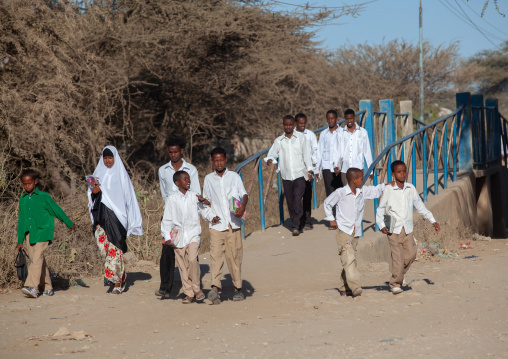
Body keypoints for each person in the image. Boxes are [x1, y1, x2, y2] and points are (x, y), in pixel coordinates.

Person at [376, 160, 440, 295]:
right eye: (399, 172)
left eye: (404, 171)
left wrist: (432, 220)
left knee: (411, 254)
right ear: (393, 174)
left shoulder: (410, 188)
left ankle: (398, 272)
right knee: (398, 257)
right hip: (393, 229)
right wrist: (381, 225)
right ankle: (395, 284)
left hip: (407, 229)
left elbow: (420, 206)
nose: (402, 174)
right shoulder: (389, 189)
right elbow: (380, 209)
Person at [324, 167, 386, 298]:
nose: (363, 181)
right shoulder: (340, 193)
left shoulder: (362, 191)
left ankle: (343, 286)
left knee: (350, 259)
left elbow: (375, 190)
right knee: (349, 258)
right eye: (361, 179)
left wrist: (387, 185)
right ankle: (355, 286)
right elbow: (327, 203)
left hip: (356, 231)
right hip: (343, 231)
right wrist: (331, 219)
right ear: (353, 180)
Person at [88, 146, 143, 294]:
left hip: (117, 218)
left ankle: (118, 283)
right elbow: (91, 197)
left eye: (110, 158)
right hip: (100, 217)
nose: (107, 161)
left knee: (115, 252)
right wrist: (94, 192)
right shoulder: (97, 174)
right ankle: (119, 276)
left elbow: (128, 197)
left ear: (115, 158)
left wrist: (132, 220)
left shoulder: (121, 175)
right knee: (104, 251)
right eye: (105, 158)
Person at [16, 169, 75, 298]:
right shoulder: (23, 199)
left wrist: (68, 223)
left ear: (35, 182)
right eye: (24, 184)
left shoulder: (44, 197)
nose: (27, 186)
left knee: (36, 259)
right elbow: (21, 220)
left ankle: (32, 287)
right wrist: (20, 240)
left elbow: (56, 210)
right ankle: (48, 287)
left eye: (29, 183)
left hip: (43, 232)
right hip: (29, 234)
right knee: (36, 260)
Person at [161, 170, 218, 304]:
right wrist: (166, 236)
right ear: (177, 183)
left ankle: (197, 289)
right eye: (185, 179)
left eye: (188, 179)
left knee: (192, 260)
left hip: (193, 234)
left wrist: (212, 217)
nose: (188, 181)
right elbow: (167, 220)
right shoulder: (171, 199)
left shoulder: (194, 196)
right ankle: (188, 293)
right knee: (183, 266)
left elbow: (204, 209)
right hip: (178, 236)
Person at [156, 138, 200, 298]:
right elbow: (164, 193)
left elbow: (195, 192)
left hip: (188, 217)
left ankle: (194, 286)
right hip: (170, 216)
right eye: (170, 152)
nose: (173, 154)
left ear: (182, 151)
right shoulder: (163, 170)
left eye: (176, 151)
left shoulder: (191, 169)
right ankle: (165, 287)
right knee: (168, 249)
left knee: (190, 250)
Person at [203, 147, 249, 303]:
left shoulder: (234, 177)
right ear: (212, 162)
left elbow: (244, 194)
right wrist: (210, 215)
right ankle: (215, 287)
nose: (219, 163)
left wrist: (242, 207)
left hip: (232, 224)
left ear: (226, 159)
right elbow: (207, 201)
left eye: (221, 160)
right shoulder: (209, 179)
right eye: (216, 160)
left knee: (234, 256)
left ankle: (238, 288)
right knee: (215, 256)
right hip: (217, 225)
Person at [265, 115, 313, 236]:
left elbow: (306, 154)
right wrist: (270, 159)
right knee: (290, 201)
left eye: (290, 125)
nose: (288, 127)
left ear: (294, 125)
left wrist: (310, 170)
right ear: (283, 125)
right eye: (286, 125)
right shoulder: (279, 140)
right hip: (286, 175)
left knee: (297, 197)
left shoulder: (301, 138)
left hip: (300, 174)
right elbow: (272, 152)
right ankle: (297, 220)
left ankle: (296, 225)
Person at [315, 110, 341, 227]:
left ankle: (340, 217)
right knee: (330, 192)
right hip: (326, 166)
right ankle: (332, 218)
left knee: (339, 191)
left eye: (332, 118)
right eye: (328, 119)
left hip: (338, 167)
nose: (330, 121)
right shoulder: (324, 134)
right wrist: (317, 169)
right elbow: (319, 152)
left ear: (336, 119)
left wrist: (339, 165)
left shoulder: (341, 132)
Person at [336, 108, 373, 186]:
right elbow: (338, 152)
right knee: (346, 193)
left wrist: (371, 170)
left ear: (354, 118)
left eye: (351, 118)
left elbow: (367, 151)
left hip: (358, 167)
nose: (349, 121)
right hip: (345, 169)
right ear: (345, 119)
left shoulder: (362, 132)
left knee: (358, 192)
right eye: (347, 119)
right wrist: (337, 166)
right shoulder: (341, 133)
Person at [295, 113, 318, 230]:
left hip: (307, 169)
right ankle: (298, 221)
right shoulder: (291, 136)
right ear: (296, 123)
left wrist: (313, 167)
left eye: (304, 123)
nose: (302, 125)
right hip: (295, 170)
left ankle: (307, 221)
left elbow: (315, 151)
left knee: (307, 194)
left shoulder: (310, 135)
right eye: (300, 123)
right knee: (296, 196)